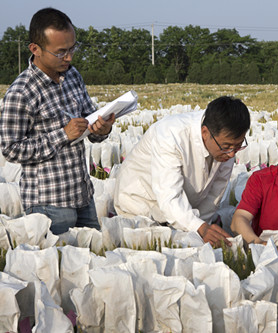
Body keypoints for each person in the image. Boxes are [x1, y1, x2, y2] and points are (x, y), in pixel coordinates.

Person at [0, 8, 115, 235]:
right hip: (48, 204)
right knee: (56, 268)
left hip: (83, 196)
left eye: (72, 48)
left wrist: (102, 128)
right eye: (61, 52)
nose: (69, 57)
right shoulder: (21, 92)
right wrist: (62, 134)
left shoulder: (72, 75)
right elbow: (10, 149)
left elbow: (89, 122)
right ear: (36, 49)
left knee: (92, 263)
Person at [114, 96, 250, 247]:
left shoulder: (225, 145)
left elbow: (214, 194)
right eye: (227, 147)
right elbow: (169, 196)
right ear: (205, 133)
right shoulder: (171, 135)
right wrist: (199, 227)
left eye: (238, 146)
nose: (232, 154)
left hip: (179, 211)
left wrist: (202, 228)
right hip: (140, 204)